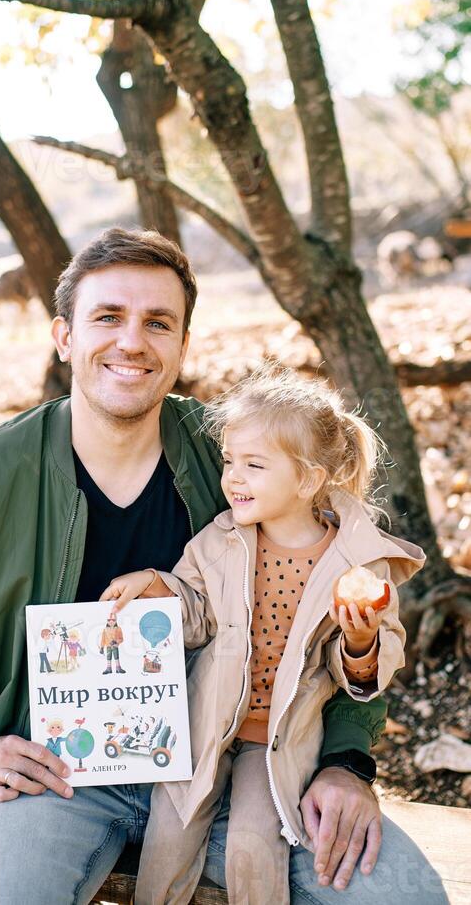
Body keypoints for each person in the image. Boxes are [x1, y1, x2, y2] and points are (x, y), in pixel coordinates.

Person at [0, 228, 446, 904]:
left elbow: (340, 605)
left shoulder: (239, 456)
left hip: (228, 774)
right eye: (108, 318)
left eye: (158, 323)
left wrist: (345, 762)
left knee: (401, 893)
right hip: (53, 777)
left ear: (182, 348)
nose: (132, 341)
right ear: (64, 337)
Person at [101, 364, 425, 904]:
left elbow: (377, 662)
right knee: (168, 838)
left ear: (308, 478)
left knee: (253, 844)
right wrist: (159, 589)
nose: (233, 478)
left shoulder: (356, 563)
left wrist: (361, 641)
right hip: (204, 727)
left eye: (254, 465)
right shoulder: (220, 541)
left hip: (276, 737)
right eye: (230, 462)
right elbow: (196, 610)